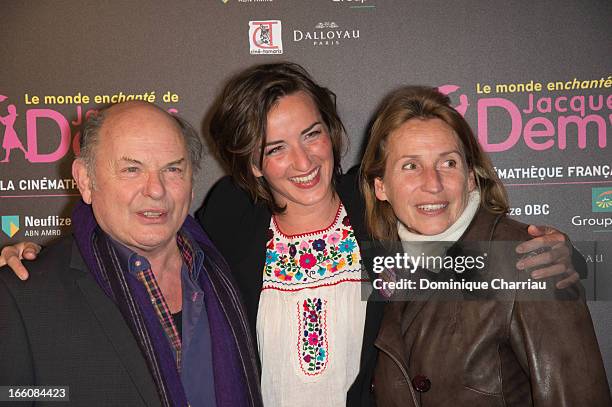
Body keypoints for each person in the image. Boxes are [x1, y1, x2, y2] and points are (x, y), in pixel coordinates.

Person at [0, 63, 584, 407]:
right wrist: (43, 252)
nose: (302, 161)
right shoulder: (231, 217)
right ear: (251, 164)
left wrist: (564, 259)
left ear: (331, 132)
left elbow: (464, 245)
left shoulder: (376, 207)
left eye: (312, 135)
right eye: (274, 148)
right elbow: (145, 234)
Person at [360, 86, 611, 406]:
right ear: (380, 186)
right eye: (411, 166)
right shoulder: (387, 261)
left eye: (448, 163)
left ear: (470, 177)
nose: (433, 183)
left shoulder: (530, 258)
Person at [0, 101, 262, 407]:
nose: (155, 189)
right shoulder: (23, 296)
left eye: (173, 169)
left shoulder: (230, 271)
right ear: (85, 180)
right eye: (131, 169)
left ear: (192, 184)